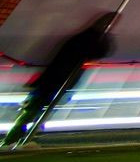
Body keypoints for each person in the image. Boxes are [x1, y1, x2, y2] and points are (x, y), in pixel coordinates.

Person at [4, 12, 116, 149]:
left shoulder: (83, 37)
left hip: (54, 80)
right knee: (37, 111)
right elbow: (100, 52)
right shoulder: (90, 39)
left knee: (34, 110)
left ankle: (17, 138)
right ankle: (18, 139)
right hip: (58, 80)